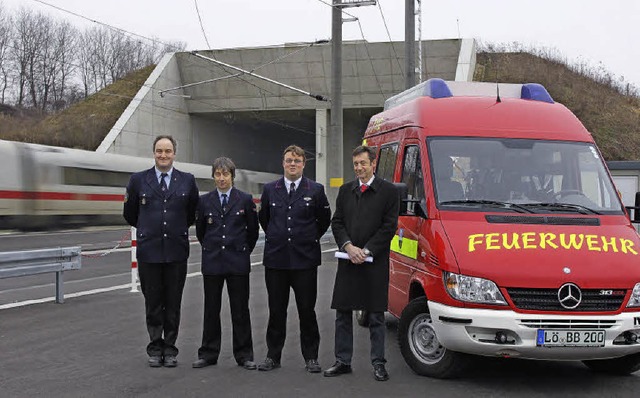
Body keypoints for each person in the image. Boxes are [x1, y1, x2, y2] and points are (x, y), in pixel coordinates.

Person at [123, 135, 199, 368]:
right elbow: (130, 214)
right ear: (153, 153)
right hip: (150, 252)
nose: (163, 155)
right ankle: (155, 347)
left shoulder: (187, 180)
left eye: (167, 151)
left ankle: (171, 348)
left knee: (173, 302)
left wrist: (174, 230)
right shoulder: (138, 180)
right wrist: (150, 229)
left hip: (176, 251)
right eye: (159, 151)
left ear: (175, 153)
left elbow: (191, 213)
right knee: (153, 302)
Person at [324, 145, 399, 382]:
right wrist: (348, 246)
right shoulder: (346, 191)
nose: (358, 168)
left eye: (363, 163)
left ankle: (378, 363)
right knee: (343, 313)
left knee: (376, 316)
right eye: (355, 164)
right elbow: (337, 223)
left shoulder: (388, 192)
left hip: (374, 263)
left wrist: (366, 251)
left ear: (373, 164)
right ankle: (342, 361)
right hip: (348, 261)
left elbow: (389, 226)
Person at [257, 145, 331, 373]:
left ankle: (311, 357)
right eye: (289, 160)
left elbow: (323, 220)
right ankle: (273, 356)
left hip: (304, 261)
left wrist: (306, 239)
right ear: (283, 162)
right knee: (276, 310)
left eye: (297, 161)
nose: (293, 164)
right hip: (276, 260)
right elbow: (265, 219)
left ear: (303, 164)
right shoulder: (270, 189)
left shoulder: (316, 190)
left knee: (306, 310)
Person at [192, 157, 259, 370]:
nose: (222, 178)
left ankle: (244, 354)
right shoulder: (204, 201)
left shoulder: (245, 200)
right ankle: (209, 353)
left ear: (232, 176)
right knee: (211, 309)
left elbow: (253, 232)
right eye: (218, 174)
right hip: (212, 262)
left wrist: (241, 251)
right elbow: (202, 232)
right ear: (213, 176)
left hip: (237, 262)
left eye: (225, 174)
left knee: (240, 310)